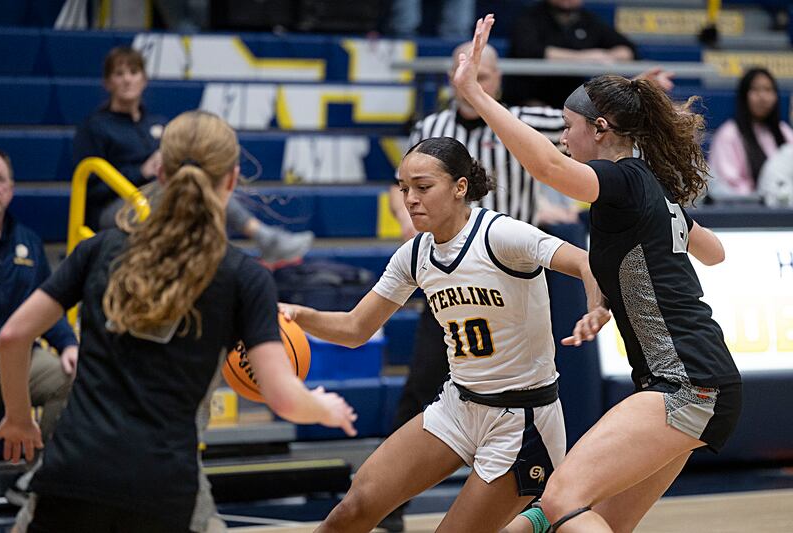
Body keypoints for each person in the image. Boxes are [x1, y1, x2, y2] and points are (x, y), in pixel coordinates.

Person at [0, 111, 357, 533]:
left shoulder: (99, 249)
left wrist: (20, 418)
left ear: (161, 173)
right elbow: (283, 398)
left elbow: (14, 335)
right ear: (232, 180)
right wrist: (325, 408)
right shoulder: (244, 277)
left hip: (73, 474)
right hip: (162, 488)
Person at [457, 15, 742, 533]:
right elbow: (714, 252)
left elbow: (546, 169)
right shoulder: (649, 187)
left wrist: (475, 94)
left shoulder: (624, 179)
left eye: (568, 127)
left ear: (600, 128)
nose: (563, 138)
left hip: (686, 382)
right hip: (698, 378)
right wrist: (609, 301)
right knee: (572, 517)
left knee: (563, 497)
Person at [280, 136, 604, 533]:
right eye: (403, 189)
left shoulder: (502, 235)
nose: (410, 199)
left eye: (422, 187)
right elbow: (354, 329)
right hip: (458, 405)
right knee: (352, 510)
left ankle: (540, 517)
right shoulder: (415, 254)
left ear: (459, 187)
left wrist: (596, 308)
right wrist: (299, 314)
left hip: (522, 421)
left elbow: (587, 263)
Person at [381, 40, 578, 531]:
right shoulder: (430, 130)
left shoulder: (526, 120)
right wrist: (406, 221)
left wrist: (639, 97)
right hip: (449, 275)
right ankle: (391, 508)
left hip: (512, 276)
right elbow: (397, 184)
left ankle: (542, 499)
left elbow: (589, 132)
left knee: (525, 386)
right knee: (421, 384)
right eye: (463, 74)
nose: (472, 84)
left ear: (497, 82)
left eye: (482, 76)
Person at [73, 45, 313, 263]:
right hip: (117, 207)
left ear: (144, 79)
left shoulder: (158, 124)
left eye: (133, 72)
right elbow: (91, 187)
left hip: (161, 195)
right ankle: (257, 241)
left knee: (205, 185)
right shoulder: (95, 126)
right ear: (108, 82)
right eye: (119, 74)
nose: (127, 80)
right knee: (194, 193)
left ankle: (246, 247)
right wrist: (141, 171)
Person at [0, 147, 78, 505]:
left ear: (11, 189)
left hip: (19, 363)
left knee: (73, 376)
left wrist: (69, 344)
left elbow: (48, 309)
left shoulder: (28, 242)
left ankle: (37, 477)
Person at [504, 0, 637, 109]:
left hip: (573, 105)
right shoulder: (529, 17)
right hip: (529, 101)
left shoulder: (589, 20)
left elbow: (628, 50)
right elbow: (528, 49)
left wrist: (606, 56)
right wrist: (583, 57)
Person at [707, 67, 793, 199]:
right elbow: (725, 186)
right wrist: (759, 198)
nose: (763, 97)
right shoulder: (729, 134)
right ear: (744, 95)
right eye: (756, 90)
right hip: (744, 210)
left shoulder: (784, 131)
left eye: (768, 90)